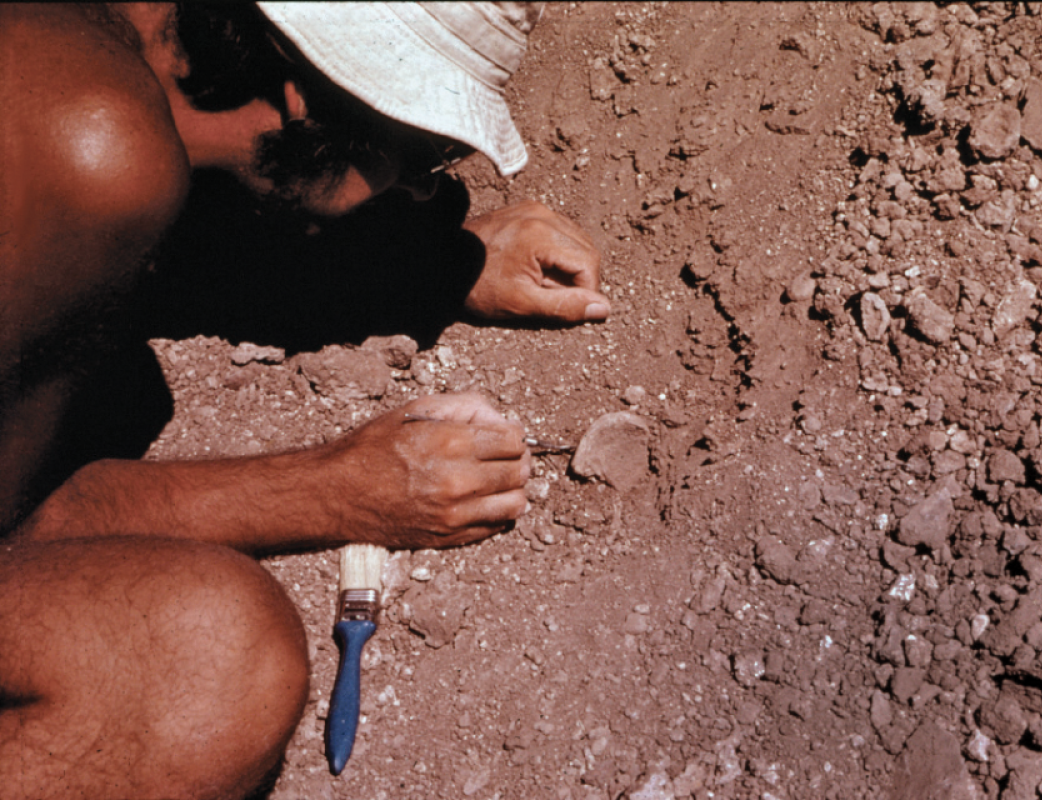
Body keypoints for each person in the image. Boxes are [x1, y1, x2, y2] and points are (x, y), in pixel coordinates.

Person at [0, 4, 609, 798]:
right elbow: (18, 527)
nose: (422, 194)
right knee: (211, 660)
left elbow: (177, 256)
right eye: (425, 158)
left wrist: (432, 266)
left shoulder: (87, 53)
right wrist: (326, 489)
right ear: (307, 98)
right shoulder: (97, 149)